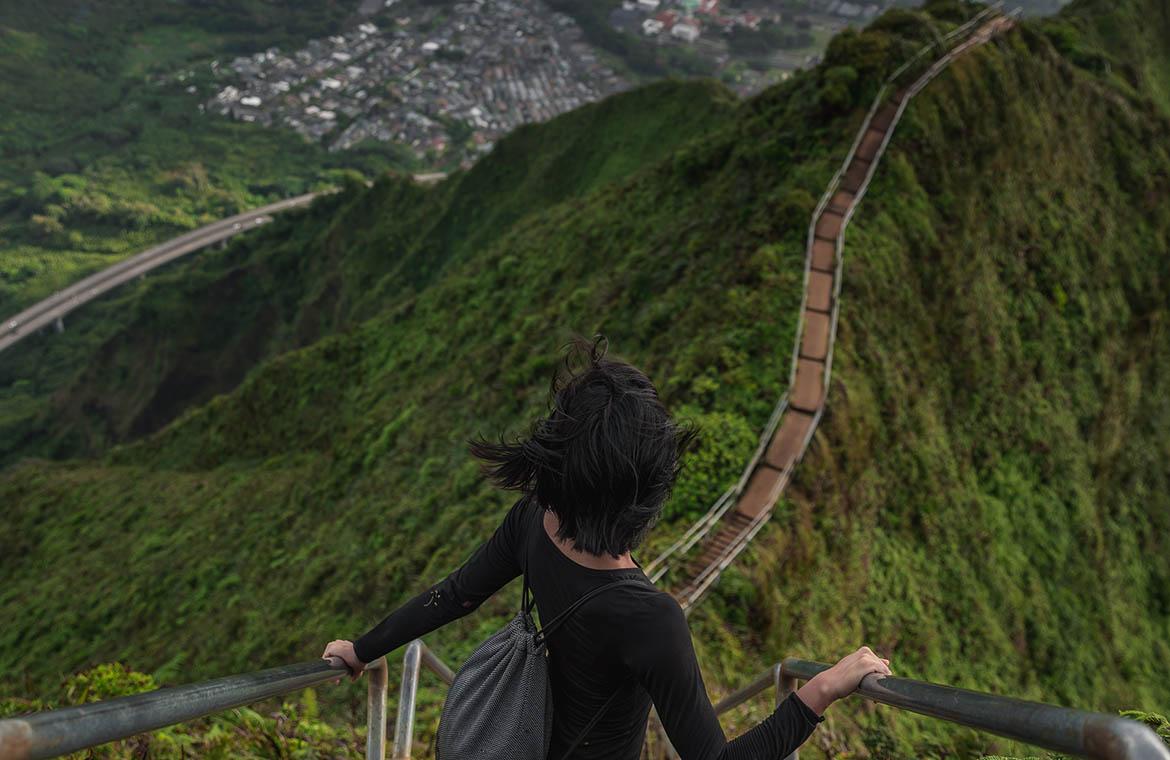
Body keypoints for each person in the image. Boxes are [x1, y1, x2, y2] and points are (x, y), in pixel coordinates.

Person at [322, 336, 892, 759]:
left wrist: (363, 649)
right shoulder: (652, 619)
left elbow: (452, 597)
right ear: (644, 494)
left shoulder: (530, 523)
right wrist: (819, 690)